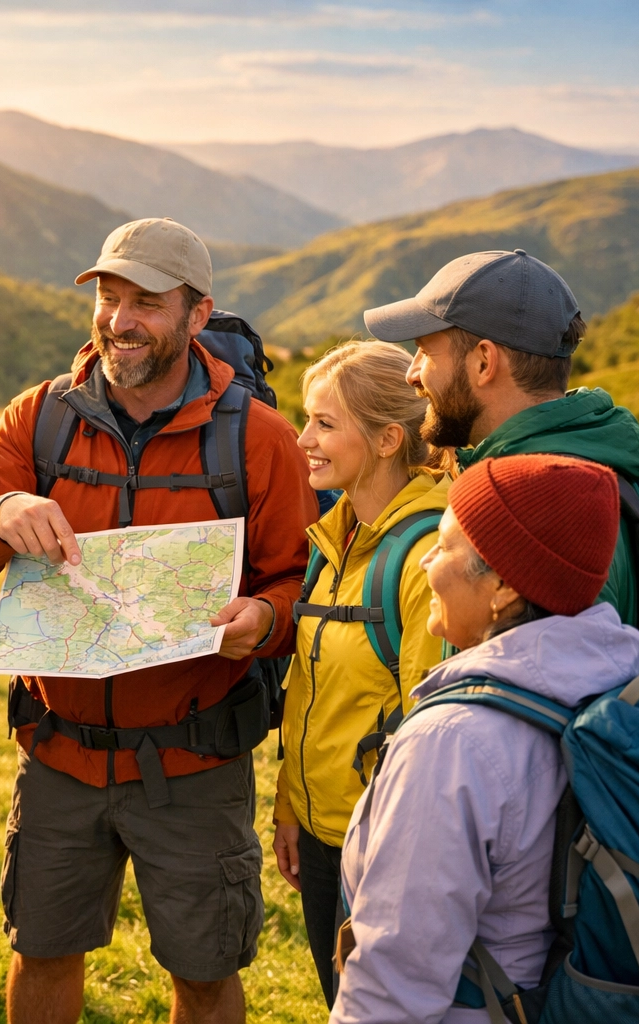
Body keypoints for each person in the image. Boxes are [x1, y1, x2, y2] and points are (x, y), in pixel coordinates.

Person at [0, 217, 316, 1024]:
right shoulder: (39, 418)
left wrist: (266, 618)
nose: (119, 319)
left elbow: (298, 583)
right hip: (60, 755)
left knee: (205, 973)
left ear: (197, 314)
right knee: (40, 953)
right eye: (108, 296)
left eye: (146, 301)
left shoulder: (260, 439)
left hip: (195, 764)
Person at [331, 453, 639, 1023]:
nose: (425, 558)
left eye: (445, 544)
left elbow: (395, 985)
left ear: (503, 587)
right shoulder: (619, 677)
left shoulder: (451, 744)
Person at [272, 340, 447, 1008]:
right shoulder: (336, 536)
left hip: (384, 852)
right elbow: (316, 689)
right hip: (322, 840)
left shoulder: (426, 554)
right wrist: (291, 804)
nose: (302, 439)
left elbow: (432, 730)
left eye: (324, 423)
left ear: (386, 439)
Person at [364, 248, 639, 623]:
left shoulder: (538, 509)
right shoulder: (602, 459)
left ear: (484, 362)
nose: (411, 374)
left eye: (425, 353)